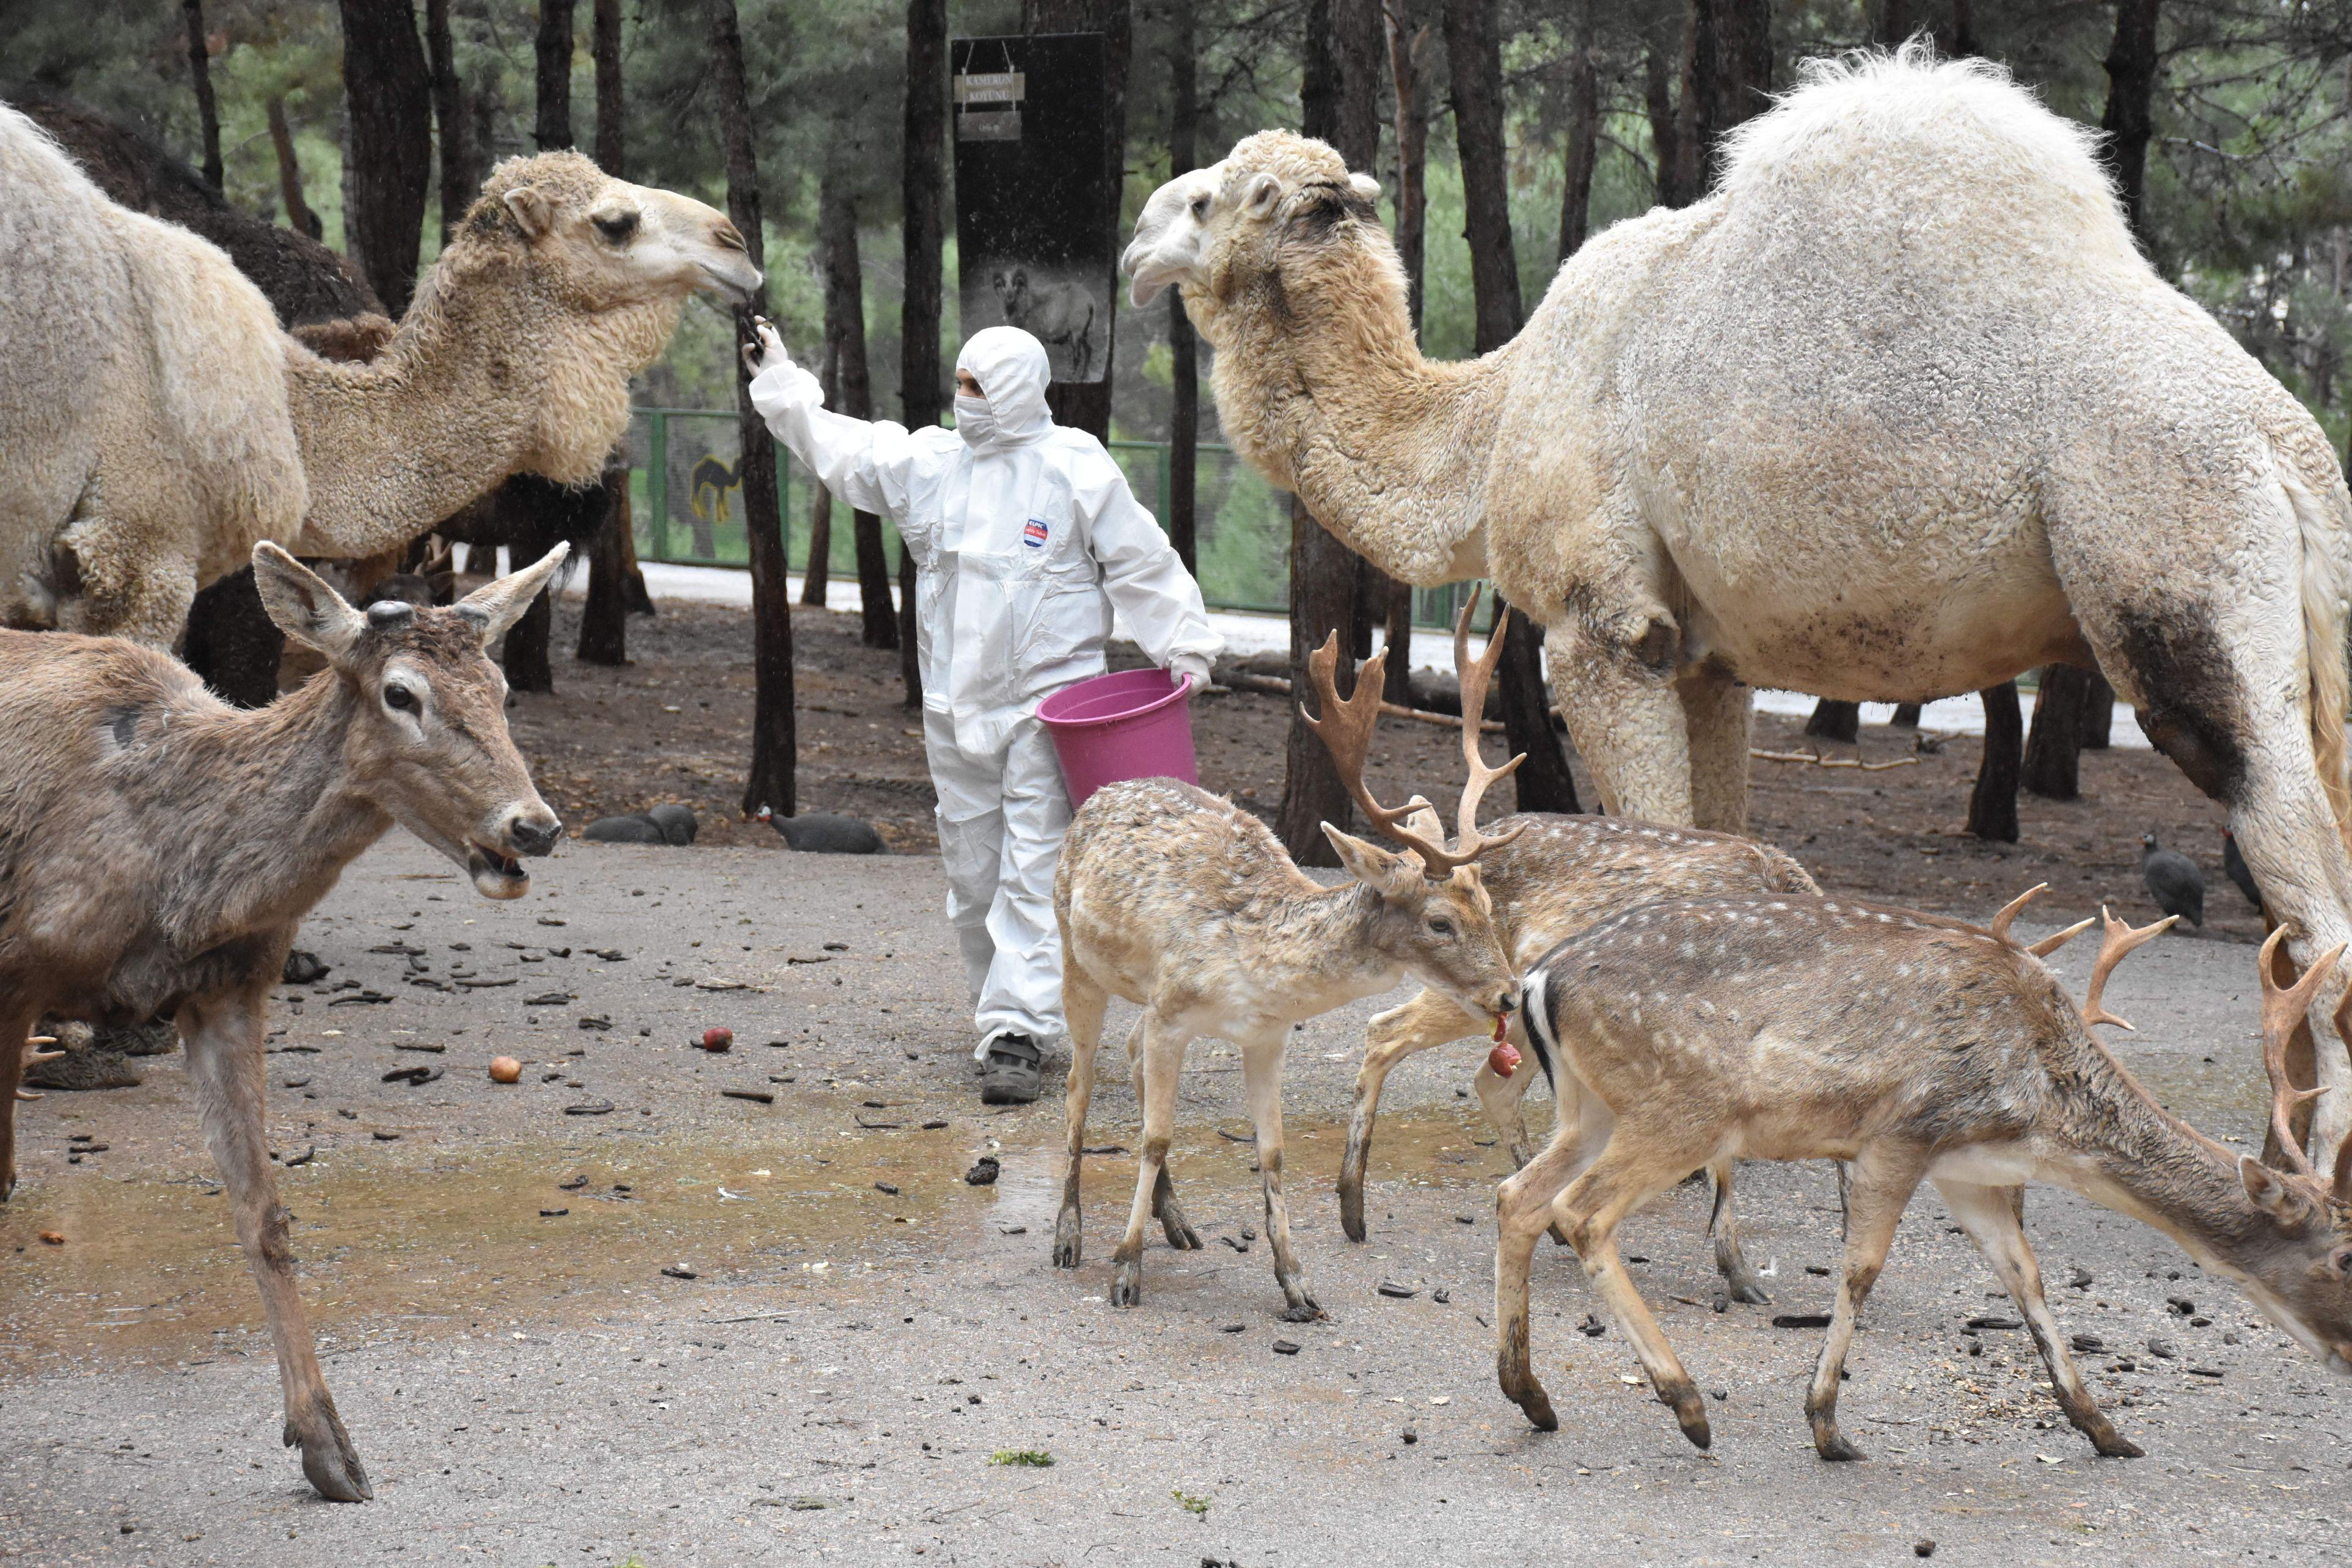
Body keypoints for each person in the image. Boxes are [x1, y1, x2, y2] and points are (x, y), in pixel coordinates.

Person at [744, 323, 1221, 1104]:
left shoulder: (1073, 467)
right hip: (952, 709)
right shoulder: (932, 465)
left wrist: (1185, 643)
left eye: (978, 387)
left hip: (1049, 709)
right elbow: (841, 449)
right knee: (972, 873)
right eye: (959, 383)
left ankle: (1017, 1031)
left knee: (1034, 867)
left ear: (1019, 390)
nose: (963, 400)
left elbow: (1140, 557)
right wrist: (780, 380)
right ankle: (995, 1008)